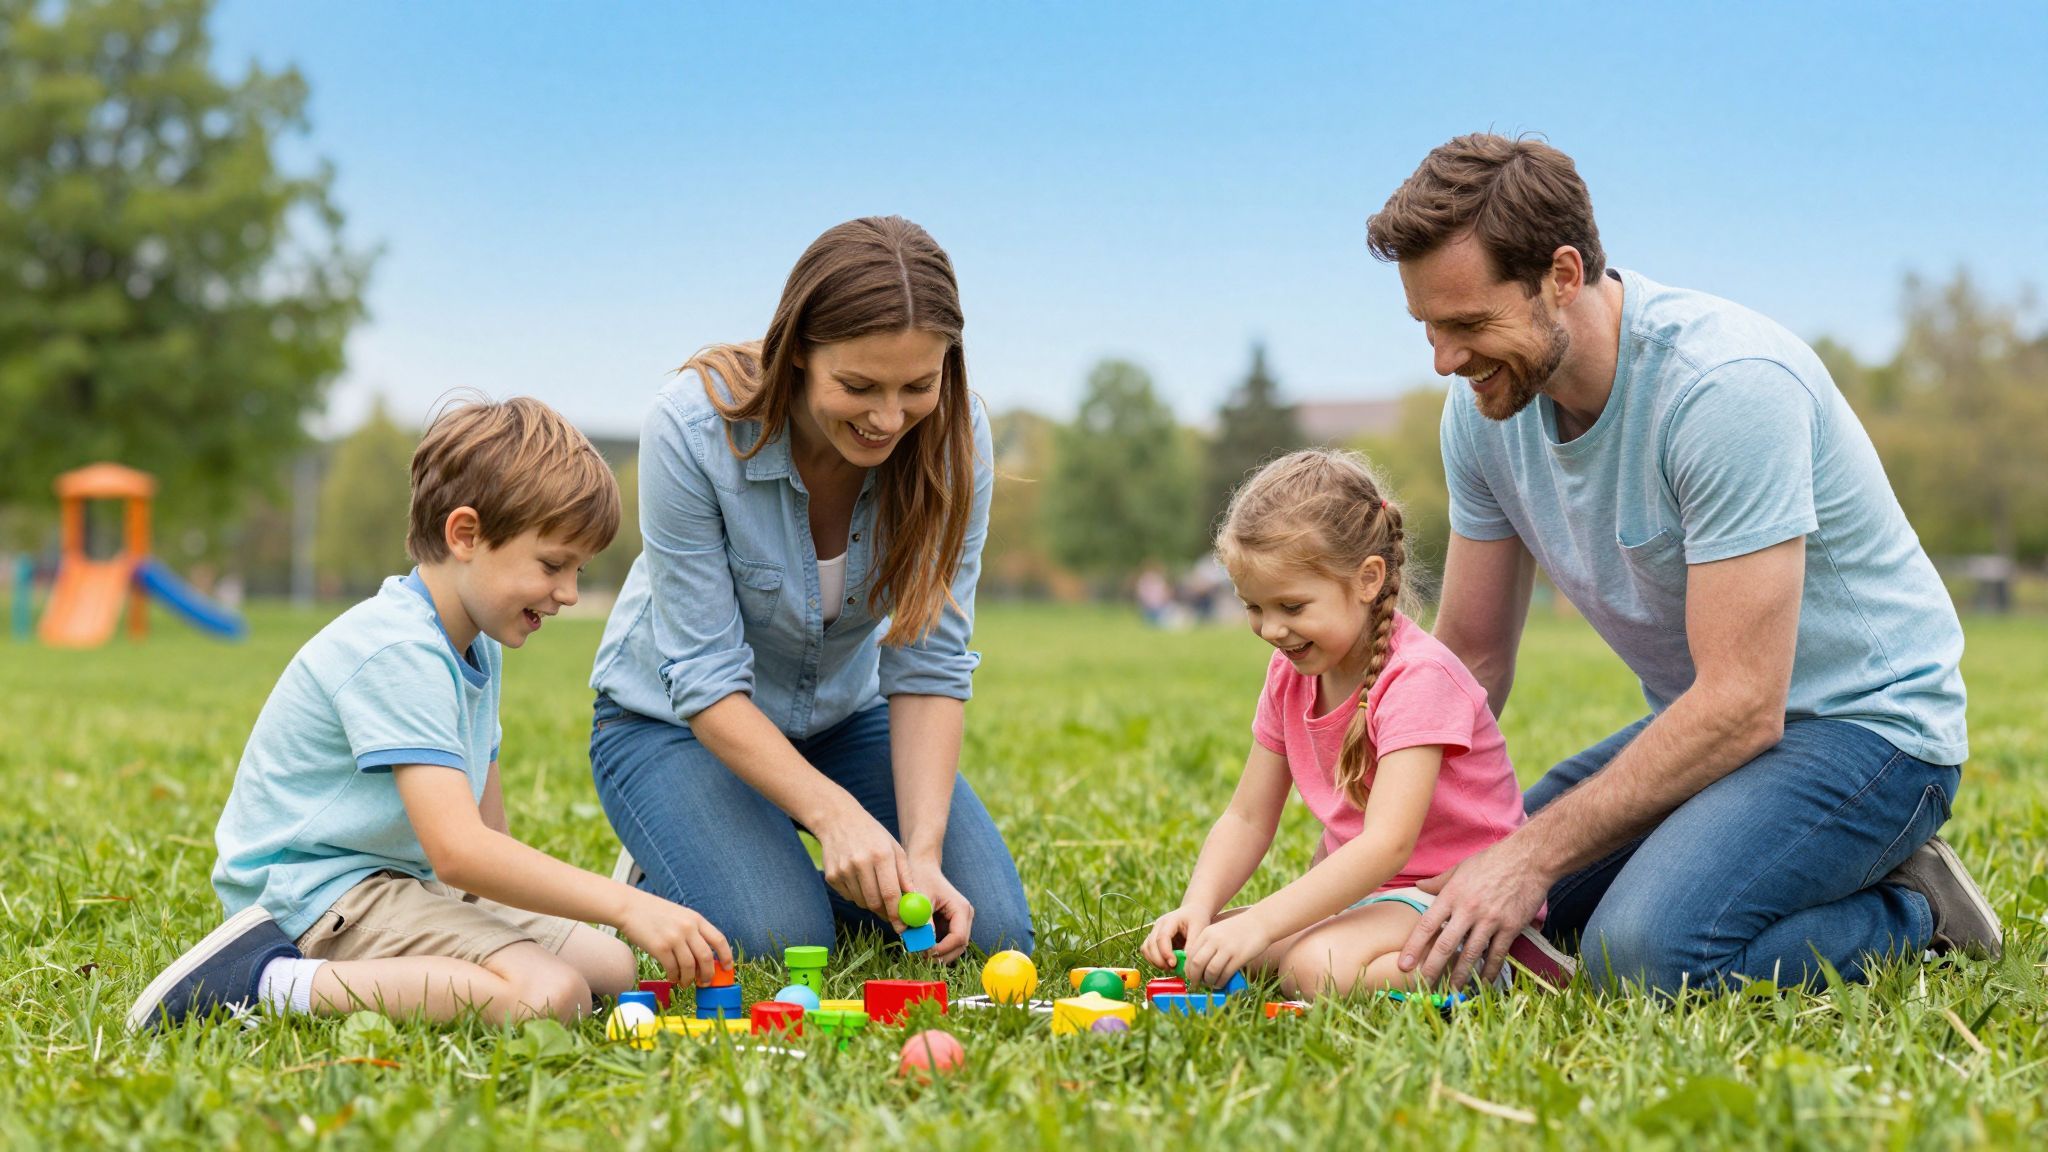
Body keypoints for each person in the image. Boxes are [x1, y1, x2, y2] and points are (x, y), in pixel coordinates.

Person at [1363, 133, 2000, 995]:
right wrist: (1396, 843)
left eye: (1469, 323)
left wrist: (1530, 855)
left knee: (1640, 960)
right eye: (1428, 326)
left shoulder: (1725, 388)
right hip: (1716, 732)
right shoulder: (1481, 412)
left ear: (1560, 275)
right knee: (1479, 911)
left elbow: (1742, 706)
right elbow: (1472, 658)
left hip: (1867, 733)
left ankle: (1914, 911)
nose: (1444, 357)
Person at [127, 398, 732, 1032]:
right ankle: (265, 981)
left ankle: (452, 964)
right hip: (311, 898)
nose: (569, 592)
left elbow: (487, 842)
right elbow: (460, 852)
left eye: (578, 569)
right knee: (551, 997)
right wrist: (625, 903)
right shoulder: (399, 649)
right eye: (552, 565)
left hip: (399, 883)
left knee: (610, 966)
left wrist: (587, 919)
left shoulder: (479, 643)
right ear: (465, 535)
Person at [589, 216, 1032, 963]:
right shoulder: (691, 430)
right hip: (672, 723)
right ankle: (690, 858)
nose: (889, 418)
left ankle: (753, 857)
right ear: (796, 355)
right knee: (779, 938)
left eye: (917, 386)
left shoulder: (958, 444)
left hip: (840, 719)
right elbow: (702, 680)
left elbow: (930, 663)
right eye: (857, 386)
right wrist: (836, 816)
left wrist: (919, 853)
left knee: (985, 932)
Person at [1142, 449, 1571, 994]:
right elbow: (1248, 817)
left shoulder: (1418, 678)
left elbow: (1387, 845)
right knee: (1213, 948)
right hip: (1369, 896)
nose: (1271, 629)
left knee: (1308, 968)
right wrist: (1198, 908)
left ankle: (1506, 967)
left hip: (1448, 897)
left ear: (1368, 579)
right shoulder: (1289, 674)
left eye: (1292, 607)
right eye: (1254, 607)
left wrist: (1265, 921)